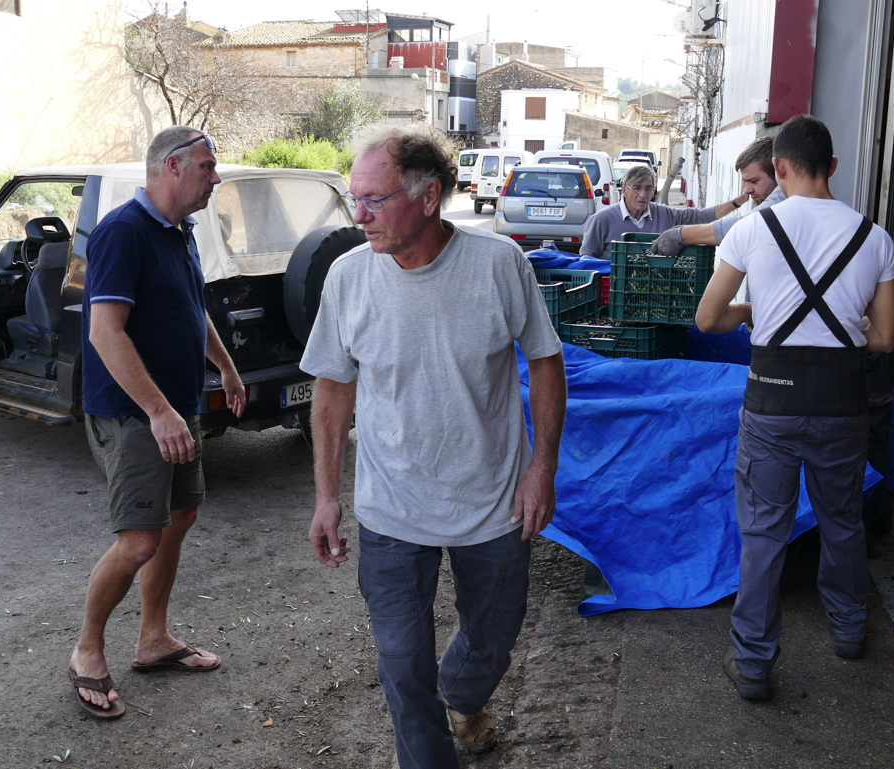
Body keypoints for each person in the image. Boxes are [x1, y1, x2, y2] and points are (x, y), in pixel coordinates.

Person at [302, 123, 567, 767]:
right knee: (400, 661)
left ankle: (464, 691)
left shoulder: (499, 265)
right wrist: (327, 497)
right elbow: (333, 393)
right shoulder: (347, 277)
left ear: (429, 197)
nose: (359, 215)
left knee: (494, 638)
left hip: (493, 501)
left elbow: (545, 365)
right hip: (393, 507)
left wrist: (542, 470)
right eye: (353, 198)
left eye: (375, 199)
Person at [695, 114, 894, 701]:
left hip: (771, 405)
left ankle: (755, 665)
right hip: (842, 404)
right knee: (842, 523)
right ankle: (850, 631)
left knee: (763, 535)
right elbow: (884, 338)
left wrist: (751, 312)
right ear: (833, 167)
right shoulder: (874, 237)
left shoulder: (753, 230)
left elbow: (709, 319)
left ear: (779, 169)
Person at [68, 126, 248, 719]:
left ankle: (152, 640)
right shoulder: (124, 232)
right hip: (133, 412)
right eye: (206, 167)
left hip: (177, 406)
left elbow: (191, 309)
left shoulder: (182, 231)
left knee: (180, 517)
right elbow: (104, 332)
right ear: (171, 167)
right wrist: (158, 410)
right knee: (141, 538)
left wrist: (224, 366)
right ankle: (87, 650)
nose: (215, 178)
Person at [580, 163, 745, 260]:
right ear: (624, 190)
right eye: (636, 188)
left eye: (648, 188)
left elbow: (701, 216)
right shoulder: (601, 220)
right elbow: (586, 262)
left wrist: (737, 202)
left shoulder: (665, 214)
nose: (643, 195)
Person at [653, 136, 784, 255]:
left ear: (778, 172)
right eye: (744, 181)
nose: (747, 190)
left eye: (754, 181)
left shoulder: (783, 200)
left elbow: (745, 226)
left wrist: (682, 235)